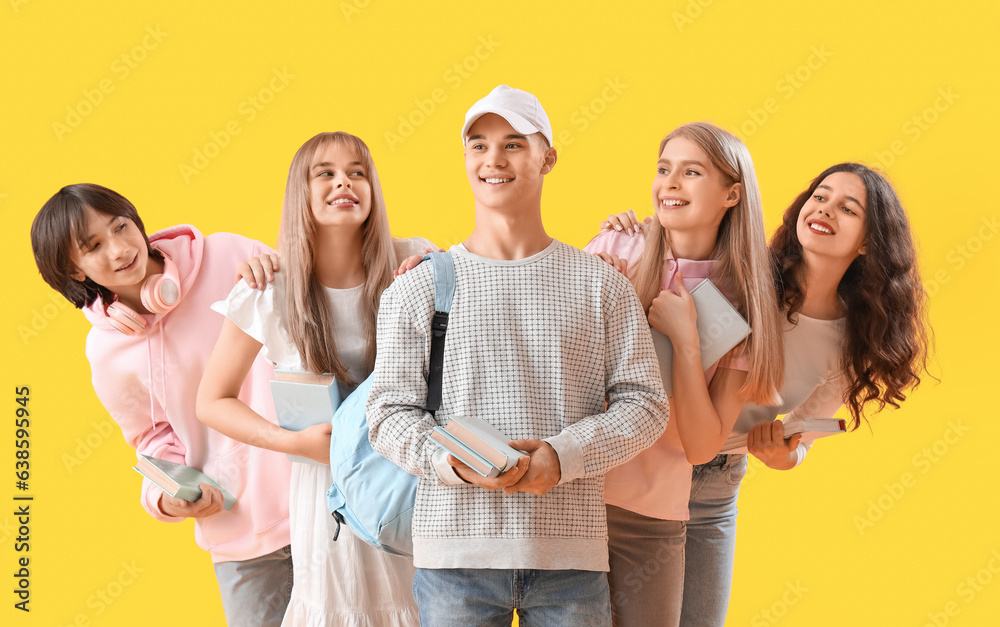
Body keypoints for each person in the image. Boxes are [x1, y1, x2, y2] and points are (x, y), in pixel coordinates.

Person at [366, 85, 669, 627]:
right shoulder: (419, 287)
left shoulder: (601, 285)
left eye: (512, 144)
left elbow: (645, 405)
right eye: (478, 145)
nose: (493, 160)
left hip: (569, 560)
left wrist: (563, 455)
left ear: (547, 157)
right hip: (453, 560)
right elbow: (387, 414)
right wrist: (450, 463)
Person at [601, 161, 931, 626]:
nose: (826, 210)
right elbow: (667, 340)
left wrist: (780, 454)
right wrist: (633, 233)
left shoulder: (850, 341)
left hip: (716, 485)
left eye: (847, 208)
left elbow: (802, 438)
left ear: (868, 243)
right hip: (656, 463)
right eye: (820, 197)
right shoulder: (744, 278)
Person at [30, 184, 293, 626]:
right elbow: (153, 439)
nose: (119, 249)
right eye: (93, 246)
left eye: (121, 226)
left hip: (320, 494)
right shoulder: (106, 351)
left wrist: (281, 269)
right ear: (75, 271)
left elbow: (315, 319)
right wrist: (167, 497)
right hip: (238, 527)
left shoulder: (229, 254)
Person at [197, 131, 429, 627]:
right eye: (324, 172)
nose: (343, 182)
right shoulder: (269, 289)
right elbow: (212, 401)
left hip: (407, 475)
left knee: (422, 605)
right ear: (299, 192)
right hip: (325, 483)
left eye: (357, 172)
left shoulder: (414, 261)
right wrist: (293, 442)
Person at [585, 122, 783, 627]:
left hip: (648, 514)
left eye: (691, 172)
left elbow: (700, 446)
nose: (670, 183)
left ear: (731, 194)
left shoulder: (740, 303)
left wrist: (687, 340)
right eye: (663, 169)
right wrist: (590, 294)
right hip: (571, 490)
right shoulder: (618, 246)